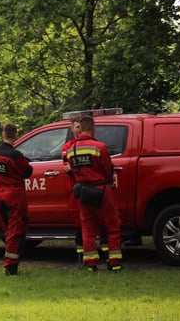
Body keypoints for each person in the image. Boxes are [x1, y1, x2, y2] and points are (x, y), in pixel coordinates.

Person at [64, 115, 123, 272]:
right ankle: (114, 262)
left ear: (81, 128)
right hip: (101, 190)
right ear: (93, 127)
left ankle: (91, 264)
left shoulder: (71, 150)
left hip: (83, 192)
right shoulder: (100, 147)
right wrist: (109, 183)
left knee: (88, 229)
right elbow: (108, 169)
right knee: (112, 226)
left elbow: (73, 171)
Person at [0, 123, 33, 275]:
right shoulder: (15, 155)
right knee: (15, 231)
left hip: (0, 194)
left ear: (3, 134)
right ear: (15, 135)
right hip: (15, 195)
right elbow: (27, 171)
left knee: (7, 229)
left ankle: (11, 261)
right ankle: (11, 266)